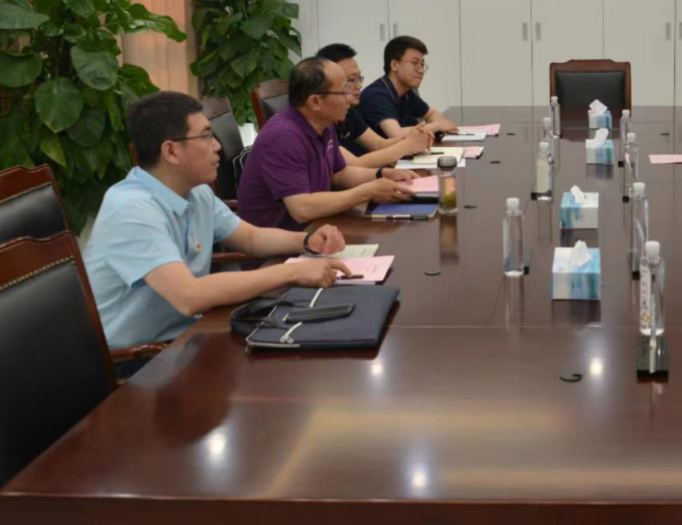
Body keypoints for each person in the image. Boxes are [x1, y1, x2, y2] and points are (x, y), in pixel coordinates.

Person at [84, 92, 353, 373]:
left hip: (186, 338)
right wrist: (292, 272)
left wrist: (307, 241)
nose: (218, 147)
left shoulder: (196, 191)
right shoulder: (131, 209)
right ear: (171, 151)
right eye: (206, 137)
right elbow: (189, 296)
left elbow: (250, 238)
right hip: (135, 361)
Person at [238, 57, 415, 230]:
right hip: (282, 242)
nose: (349, 98)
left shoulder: (325, 124)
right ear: (315, 102)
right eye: (343, 91)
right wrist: (367, 192)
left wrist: (381, 174)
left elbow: (340, 173)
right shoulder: (283, 136)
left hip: (317, 228)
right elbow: (302, 209)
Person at [315, 42, 433, 165]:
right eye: (351, 80)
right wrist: (407, 145)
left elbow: (379, 144)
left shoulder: (348, 110)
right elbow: (354, 165)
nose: (359, 86)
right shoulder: (321, 122)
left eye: (359, 78)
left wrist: (411, 138)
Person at [359, 35, 459, 138]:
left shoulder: (406, 93)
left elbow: (431, 113)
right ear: (394, 65)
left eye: (422, 65)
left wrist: (440, 124)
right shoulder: (377, 95)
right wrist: (437, 126)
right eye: (415, 63)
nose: (421, 71)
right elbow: (396, 134)